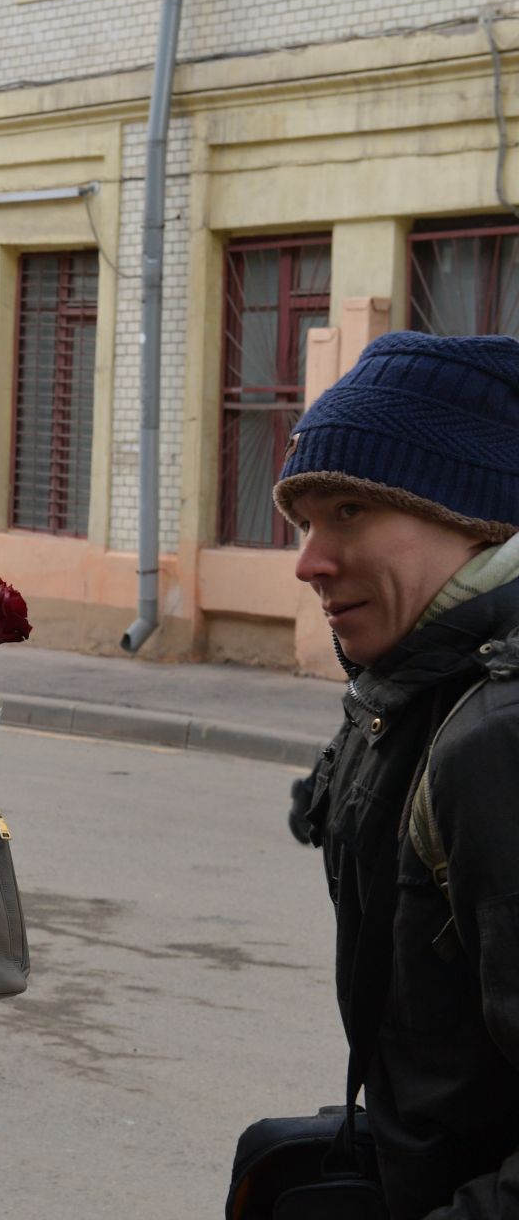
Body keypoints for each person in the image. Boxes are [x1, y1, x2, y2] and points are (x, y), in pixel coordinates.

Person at [275, 331, 519, 1218]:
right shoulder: (415, 691)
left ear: (475, 517)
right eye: (305, 520)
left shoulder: (499, 735)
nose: (309, 560)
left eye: (349, 512)